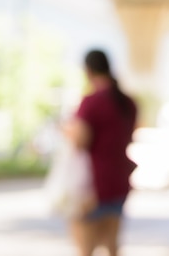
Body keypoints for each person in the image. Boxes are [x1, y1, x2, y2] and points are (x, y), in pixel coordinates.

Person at [65, 49, 137, 256]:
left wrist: (67, 131)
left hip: (92, 185)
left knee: (86, 250)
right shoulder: (127, 103)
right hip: (119, 181)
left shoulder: (92, 102)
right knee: (112, 246)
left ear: (87, 71)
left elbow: (81, 142)